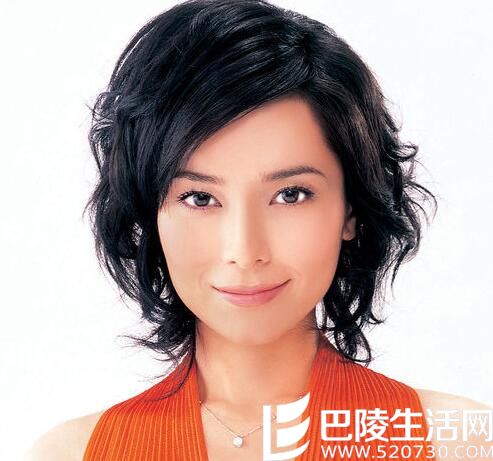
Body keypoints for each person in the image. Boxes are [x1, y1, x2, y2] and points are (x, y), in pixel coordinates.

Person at [25, 0, 492, 460]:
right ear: (151, 215)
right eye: (200, 198)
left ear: (351, 209)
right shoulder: (73, 453)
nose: (245, 250)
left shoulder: (458, 444)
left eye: (291, 194)